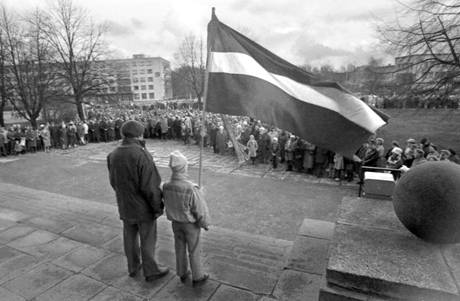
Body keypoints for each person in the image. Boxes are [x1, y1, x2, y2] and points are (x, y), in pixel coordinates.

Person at [107, 120, 169, 282]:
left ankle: (133, 267)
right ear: (139, 134)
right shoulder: (141, 154)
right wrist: (157, 207)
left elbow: (113, 182)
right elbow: (150, 186)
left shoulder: (113, 154)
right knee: (148, 238)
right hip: (143, 207)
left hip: (125, 204)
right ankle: (151, 270)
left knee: (129, 236)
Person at [161, 151, 210, 286]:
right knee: (194, 250)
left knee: (179, 247)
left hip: (175, 223)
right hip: (190, 225)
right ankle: (198, 276)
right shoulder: (190, 188)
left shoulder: (166, 186)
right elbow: (199, 209)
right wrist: (204, 223)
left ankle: (182, 272)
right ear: (184, 168)